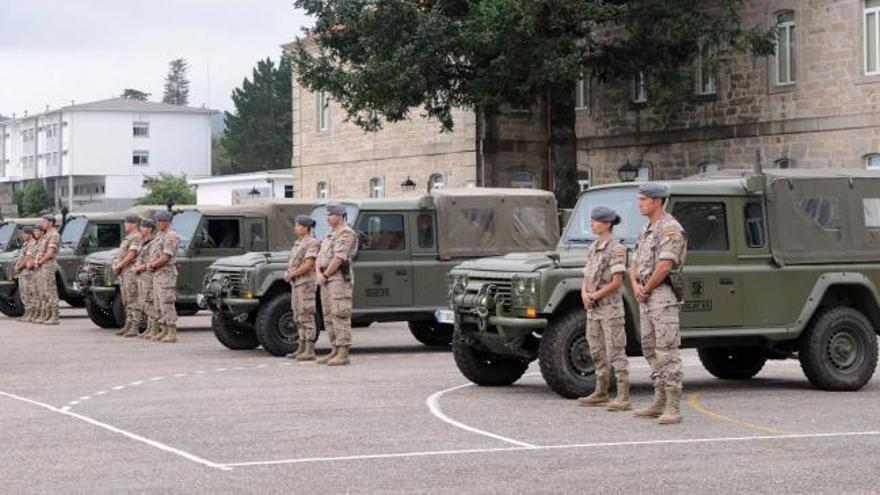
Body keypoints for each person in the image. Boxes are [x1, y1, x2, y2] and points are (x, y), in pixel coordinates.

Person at [630, 182, 688, 425]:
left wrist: (647, 288)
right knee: (649, 347)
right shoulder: (646, 229)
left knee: (667, 350)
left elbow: (665, 265)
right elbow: (633, 263)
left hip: (662, 296)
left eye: (643, 199)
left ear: (656, 200)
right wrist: (636, 286)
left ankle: (673, 405)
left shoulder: (670, 229)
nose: (639, 203)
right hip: (646, 294)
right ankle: (659, 398)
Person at [577, 207, 630, 411]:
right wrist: (584, 295)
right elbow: (586, 276)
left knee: (615, 350)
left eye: (596, 221)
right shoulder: (593, 247)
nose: (592, 224)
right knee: (596, 349)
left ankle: (623, 395)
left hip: (610, 309)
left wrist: (595, 296)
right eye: (592, 220)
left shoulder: (617, 249)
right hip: (593, 309)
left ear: (608, 223)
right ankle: (601, 391)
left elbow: (617, 282)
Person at [316, 204, 358, 366]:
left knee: (340, 313)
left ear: (340, 216)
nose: (328, 218)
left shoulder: (346, 233)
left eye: (331, 215)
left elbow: (339, 258)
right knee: (328, 315)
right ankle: (334, 348)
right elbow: (320, 256)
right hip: (325, 279)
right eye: (327, 215)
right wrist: (319, 273)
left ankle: (343, 351)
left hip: (338, 278)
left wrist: (325, 274)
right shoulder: (329, 234)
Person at [284, 215, 321, 361]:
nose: (295, 228)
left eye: (298, 225)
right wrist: (288, 273)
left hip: (305, 284)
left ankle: (309, 349)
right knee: (298, 316)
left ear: (306, 227)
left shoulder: (312, 243)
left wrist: (292, 274)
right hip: (296, 284)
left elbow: (308, 265)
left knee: (306, 315)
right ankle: (301, 346)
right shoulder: (298, 243)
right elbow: (292, 262)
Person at [147, 211, 179, 343]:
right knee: (158, 303)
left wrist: (153, 264)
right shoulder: (159, 235)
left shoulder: (170, 236)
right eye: (157, 221)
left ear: (167, 222)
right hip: (157, 273)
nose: (157, 223)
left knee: (166, 302)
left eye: (159, 221)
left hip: (165, 273)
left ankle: (172, 330)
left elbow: (166, 256)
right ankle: (164, 328)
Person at [114, 215, 144, 337]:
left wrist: (118, 265)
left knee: (133, 298)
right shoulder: (128, 238)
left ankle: (135, 326)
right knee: (126, 299)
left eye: (128, 223)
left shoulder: (136, 237)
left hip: (131, 271)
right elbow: (122, 254)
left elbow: (131, 255)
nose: (125, 225)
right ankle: (128, 323)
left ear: (135, 224)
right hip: (124, 271)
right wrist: (116, 264)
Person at [34, 214, 61, 325]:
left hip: (48, 265)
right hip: (43, 265)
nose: (42, 224)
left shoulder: (54, 234)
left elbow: (50, 253)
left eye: (44, 222)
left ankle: (54, 316)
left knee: (50, 290)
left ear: (51, 223)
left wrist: (39, 262)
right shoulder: (47, 235)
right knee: (44, 290)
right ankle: (47, 314)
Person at [134, 219, 157, 339]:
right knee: (145, 302)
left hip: (147, 274)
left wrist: (139, 267)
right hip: (141, 274)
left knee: (150, 301)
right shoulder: (144, 242)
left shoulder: (153, 243)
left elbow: (151, 261)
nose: (141, 229)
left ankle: (154, 329)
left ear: (149, 229)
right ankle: (149, 329)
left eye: (143, 227)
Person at [24, 224, 45, 324]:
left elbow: (43, 254)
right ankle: (36, 314)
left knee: (42, 293)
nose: (35, 233)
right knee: (33, 293)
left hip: (40, 269)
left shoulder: (42, 242)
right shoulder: (36, 243)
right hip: (33, 270)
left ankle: (46, 314)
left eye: (37, 231)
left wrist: (33, 262)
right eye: (35, 231)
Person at [14, 226, 35, 322]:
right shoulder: (25, 244)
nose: (22, 235)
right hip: (22, 272)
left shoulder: (32, 244)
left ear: (30, 234)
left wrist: (19, 267)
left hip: (27, 272)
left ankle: (31, 314)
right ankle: (27, 314)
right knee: (23, 293)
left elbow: (27, 258)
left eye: (24, 233)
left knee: (28, 293)